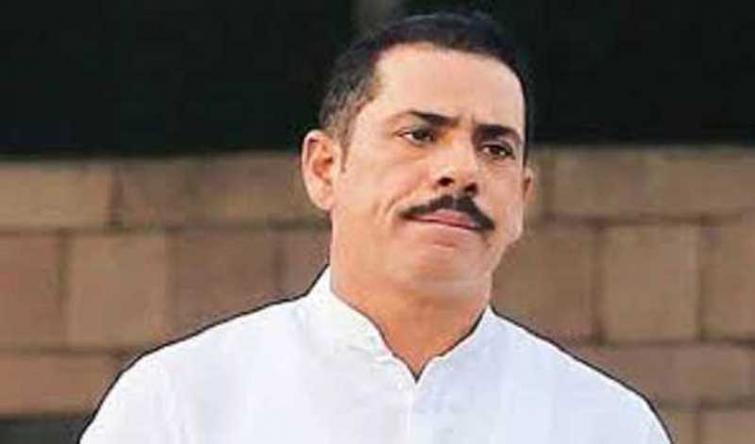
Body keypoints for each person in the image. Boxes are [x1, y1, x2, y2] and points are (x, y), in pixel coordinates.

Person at [80, 11, 670, 443]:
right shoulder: (182, 404)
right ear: (324, 168)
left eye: (495, 148)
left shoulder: (607, 425)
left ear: (520, 199)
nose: (461, 170)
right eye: (420, 135)